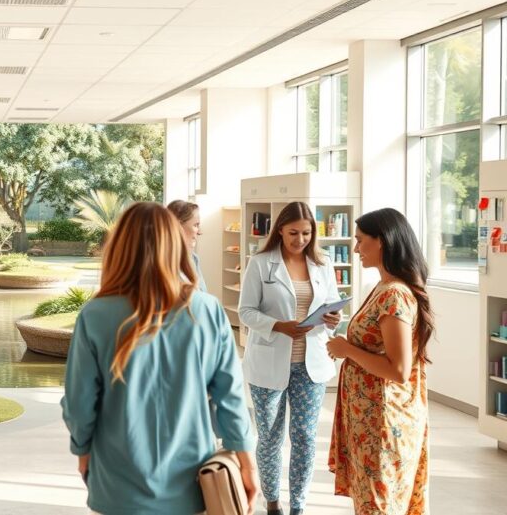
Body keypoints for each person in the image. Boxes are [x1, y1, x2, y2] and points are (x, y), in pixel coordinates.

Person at [61, 202, 259, 515]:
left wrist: (82, 451)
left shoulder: (95, 314)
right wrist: (246, 463)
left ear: (120, 247)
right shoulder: (207, 310)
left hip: (117, 483)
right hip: (192, 481)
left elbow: (79, 402)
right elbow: (230, 398)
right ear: (175, 244)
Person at [238, 201, 342, 515]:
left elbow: (334, 304)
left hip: (311, 366)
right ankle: (272, 501)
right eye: (294, 232)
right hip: (269, 363)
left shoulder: (323, 264)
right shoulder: (261, 263)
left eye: (307, 233)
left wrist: (335, 317)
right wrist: (277, 326)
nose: (300, 239)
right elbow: (246, 312)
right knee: (270, 436)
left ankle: (298, 504)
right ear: (280, 229)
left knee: (306, 438)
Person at [327, 208, 433, 515]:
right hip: (371, 419)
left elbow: (398, 370)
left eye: (361, 241)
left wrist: (346, 349)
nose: (356, 249)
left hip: (384, 423)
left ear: (382, 241)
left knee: (379, 506)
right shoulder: (383, 288)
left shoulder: (394, 295)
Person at [166, 199, 207, 291]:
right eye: (196, 225)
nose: (199, 232)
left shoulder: (194, 259)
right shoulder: (159, 262)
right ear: (177, 226)